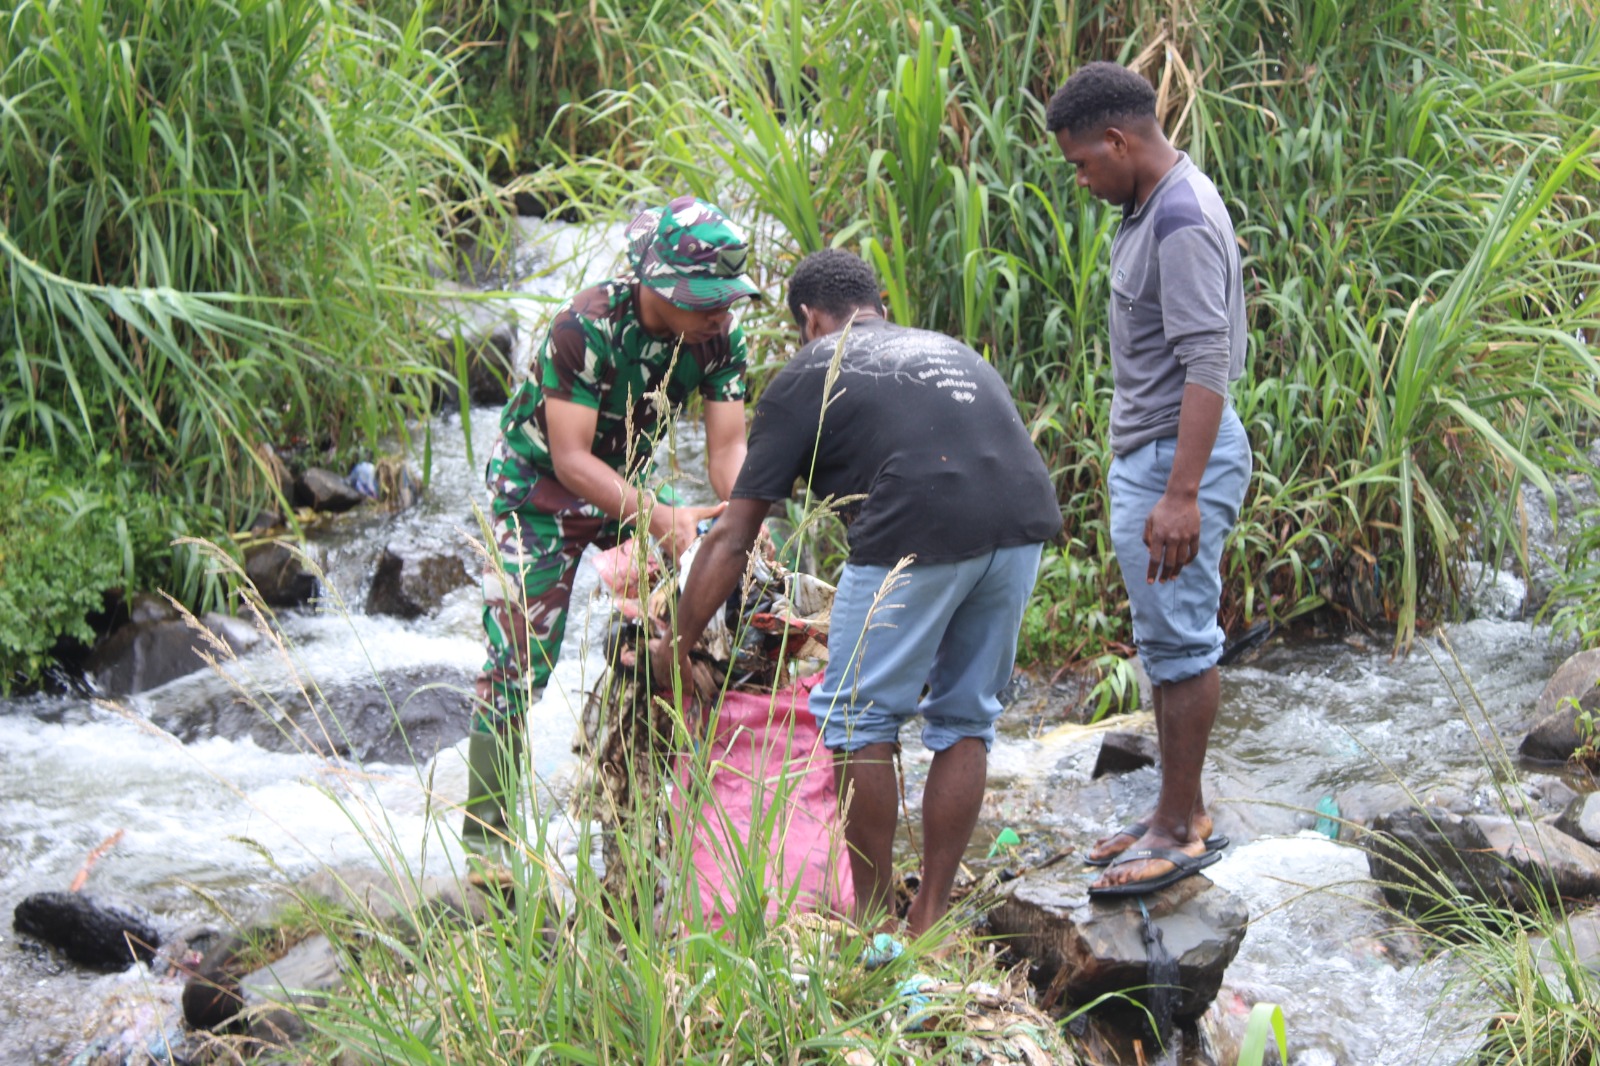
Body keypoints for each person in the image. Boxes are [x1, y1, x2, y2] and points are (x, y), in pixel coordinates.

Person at [649, 248, 1062, 937]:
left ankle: (870, 929)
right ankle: (927, 919)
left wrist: (679, 642)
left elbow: (733, 536)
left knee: (856, 723)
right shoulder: (945, 347)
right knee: (966, 721)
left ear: (810, 320)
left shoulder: (811, 369)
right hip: (1022, 523)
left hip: (917, 528)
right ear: (877, 307)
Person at [464, 196, 760, 863]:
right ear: (658, 284)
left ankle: (636, 826)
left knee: (677, 631)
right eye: (706, 297)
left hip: (624, 490)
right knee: (517, 662)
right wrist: (658, 518)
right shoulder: (584, 327)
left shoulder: (720, 335)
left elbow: (725, 450)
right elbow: (569, 459)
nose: (721, 312)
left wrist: (743, 515)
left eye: (728, 298)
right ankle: (485, 845)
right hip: (536, 496)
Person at [1046, 62, 1253, 897]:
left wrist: (1180, 493)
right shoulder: (1150, 204)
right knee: (1165, 640)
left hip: (1179, 457)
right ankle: (1179, 809)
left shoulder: (1178, 217)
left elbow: (1208, 361)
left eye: (1083, 162)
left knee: (1182, 640)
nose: (1082, 177)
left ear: (1119, 140)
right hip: (1160, 455)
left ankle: (1178, 826)